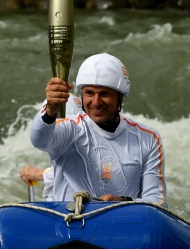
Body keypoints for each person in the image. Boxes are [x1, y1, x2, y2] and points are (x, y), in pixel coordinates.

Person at [30, 52, 167, 206]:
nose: (96, 102)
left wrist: (122, 201)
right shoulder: (71, 129)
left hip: (121, 224)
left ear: (120, 96)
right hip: (69, 223)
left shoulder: (148, 138)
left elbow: (158, 202)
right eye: (89, 93)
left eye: (104, 94)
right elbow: (39, 140)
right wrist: (49, 109)